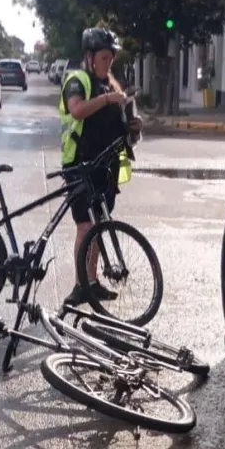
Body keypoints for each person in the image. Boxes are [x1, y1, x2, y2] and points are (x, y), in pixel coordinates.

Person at [58, 27, 142, 306]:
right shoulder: (77, 79)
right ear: (90, 57)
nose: (109, 64)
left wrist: (133, 125)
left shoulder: (111, 84)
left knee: (100, 224)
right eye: (104, 58)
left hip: (109, 164)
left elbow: (121, 123)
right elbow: (77, 110)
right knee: (85, 225)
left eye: (111, 59)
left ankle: (92, 282)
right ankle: (81, 284)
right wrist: (106, 99)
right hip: (81, 164)